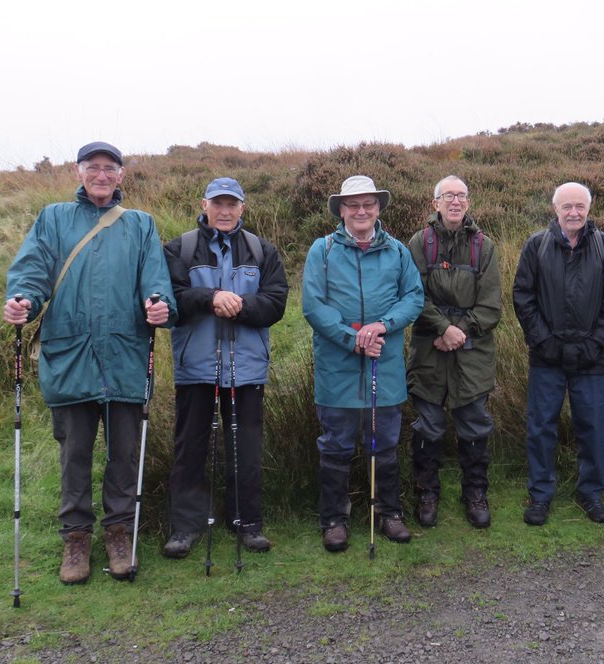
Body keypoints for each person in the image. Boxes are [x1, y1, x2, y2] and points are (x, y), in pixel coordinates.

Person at [3, 141, 176, 584]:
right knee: (74, 454)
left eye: (110, 168)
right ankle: (76, 539)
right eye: (93, 167)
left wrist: (159, 305)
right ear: (79, 172)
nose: (102, 175)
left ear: (121, 176)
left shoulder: (141, 224)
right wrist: (22, 297)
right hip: (70, 356)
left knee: (125, 453)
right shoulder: (53, 218)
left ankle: (119, 533)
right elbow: (34, 269)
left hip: (125, 355)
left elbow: (154, 279)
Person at [161, 177, 289, 558]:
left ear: (243, 208)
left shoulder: (262, 250)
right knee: (190, 450)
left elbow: (276, 303)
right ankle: (185, 528)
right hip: (195, 369)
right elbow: (172, 300)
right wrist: (210, 298)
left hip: (246, 369)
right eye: (218, 203)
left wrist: (240, 306)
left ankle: (247, 523)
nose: (225, 211)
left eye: (232, 204)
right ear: (205, 205)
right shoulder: (179, 248)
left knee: (245, 449)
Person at [302, 175, 425, 552]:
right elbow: (313, 306)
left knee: (385, 446)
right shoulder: (321, 251)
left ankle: (389, 513)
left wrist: (382, 326)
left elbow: (413, 298)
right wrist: (352, 339)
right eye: (353, 204)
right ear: (341, 210)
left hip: (383, 367)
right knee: (335, 447)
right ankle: (334, 520)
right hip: (336, 369)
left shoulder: (398, 252)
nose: (361, 211)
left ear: (378, 209)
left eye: (368, 204)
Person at [512, 182, 604, 526]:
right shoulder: (536, 244)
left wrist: (597, 343)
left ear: (589, 209)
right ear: (555, 208)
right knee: (541, 426)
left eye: (580, 206)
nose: (574, 212)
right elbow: (523, 296)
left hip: (591, 357)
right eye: (567, 206)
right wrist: (544, 341)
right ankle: (541, 494)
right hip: (547, 356)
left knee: (591, 427)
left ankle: (591, 492)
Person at [406, 175, 502, 529]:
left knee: (474, 424)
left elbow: (491, 306)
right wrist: (443, 328)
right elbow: (413, 295)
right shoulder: (419, 243)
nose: (456, 202)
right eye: (448, 196)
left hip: (472, 353)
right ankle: (426, 494)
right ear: (435, 203)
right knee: (428, 425)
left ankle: (476, 493)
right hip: (429, 351)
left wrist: (458, 332)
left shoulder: (484, 247)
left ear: (469, 202)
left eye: (462, 195)